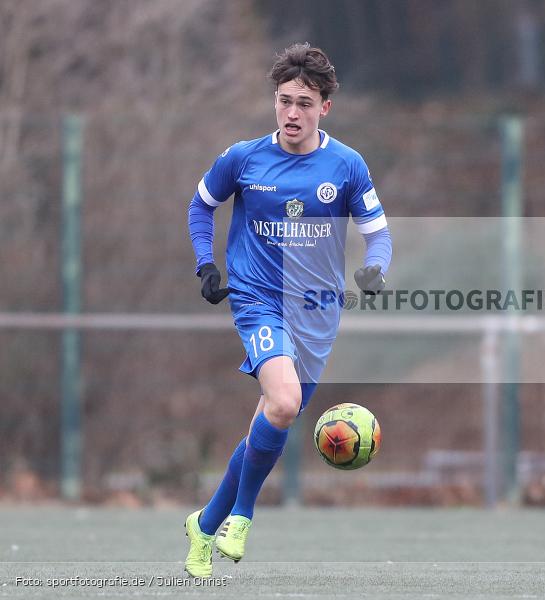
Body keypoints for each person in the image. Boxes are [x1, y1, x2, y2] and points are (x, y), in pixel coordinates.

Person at [183, 43, 392, 578]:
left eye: (304, 102)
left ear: (325, 107)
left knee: (270, 419)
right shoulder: (244, 158)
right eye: (283, 101)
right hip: (258, 300)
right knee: (283, 402)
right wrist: (206, 264)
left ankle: (205, 525)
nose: (292, 113)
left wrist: (373, 270)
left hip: (317, 311)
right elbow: (201, 204)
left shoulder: (346, 165)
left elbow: (378, 235)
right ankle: (244, 516)